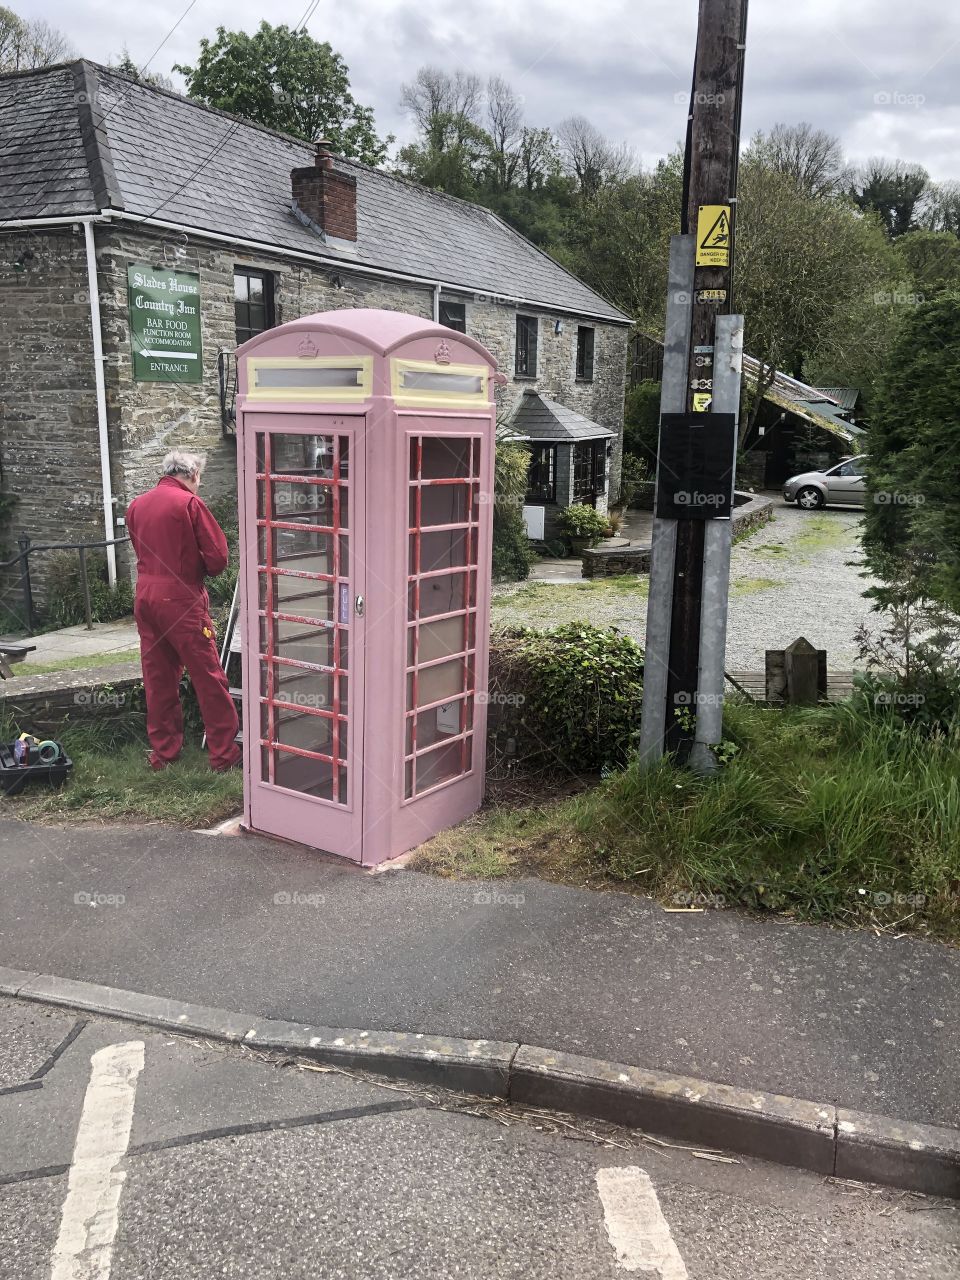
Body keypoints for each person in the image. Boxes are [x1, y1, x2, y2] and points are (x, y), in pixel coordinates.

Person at [126, 450, 241, 772]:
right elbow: (218, 559)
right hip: (180, 597)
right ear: (192, 474)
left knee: (158, 677)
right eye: (199, 478)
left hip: (145, 595)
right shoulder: (189, 504)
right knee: (208, 676)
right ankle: (223, 754)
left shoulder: (137, 505)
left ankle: (164, 754)